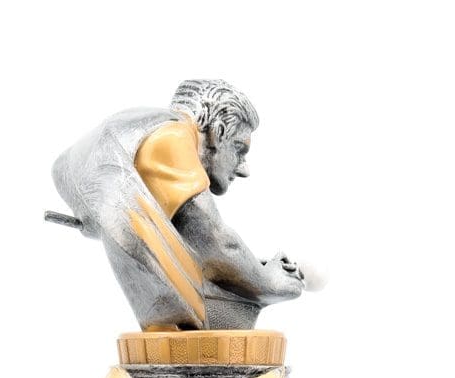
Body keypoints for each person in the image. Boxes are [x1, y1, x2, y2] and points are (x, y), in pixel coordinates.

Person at [50, 79, 304, 330]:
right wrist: (267, 282)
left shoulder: (143, 129)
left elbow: (196, 243)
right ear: (218, 132)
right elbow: (213, 238)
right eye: (239, 149)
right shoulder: (173, 136)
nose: (243, 169)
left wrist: (249, 267)